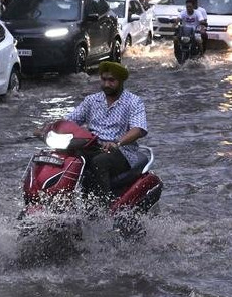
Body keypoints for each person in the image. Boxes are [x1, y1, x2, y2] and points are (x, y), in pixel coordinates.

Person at [37, 61, 148, 205]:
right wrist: (47, 128)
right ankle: (58, 201)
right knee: (64, 158)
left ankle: (103, 207)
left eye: (111, 80)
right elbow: (70, 120)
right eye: (104, 79)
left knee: (98, 162)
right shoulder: (92, 100)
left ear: (121, 81)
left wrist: (117, 143)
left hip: (121, 151)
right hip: (91, 146)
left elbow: (138, 129)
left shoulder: (134, 102)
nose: (106, 84)